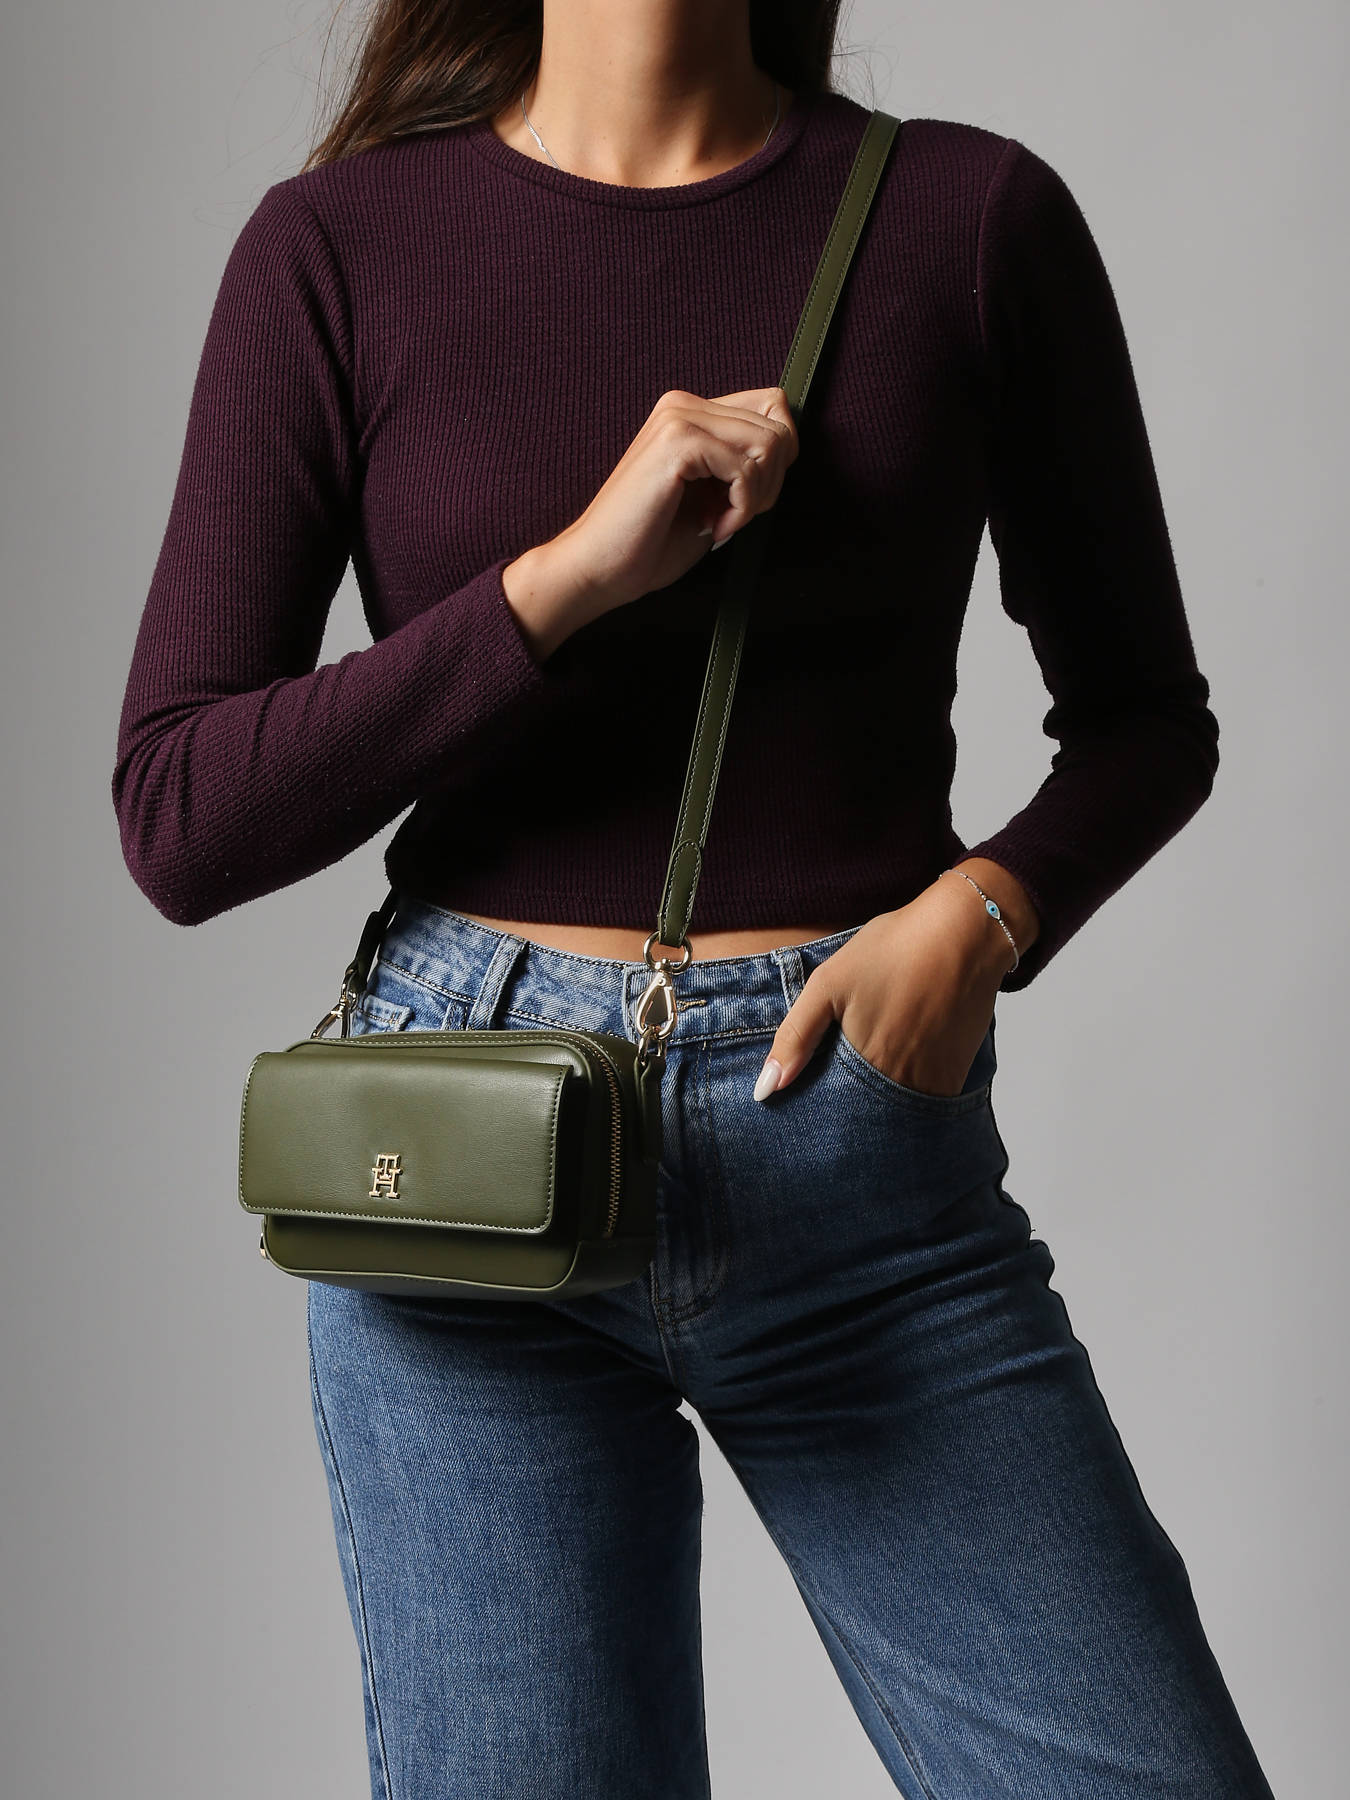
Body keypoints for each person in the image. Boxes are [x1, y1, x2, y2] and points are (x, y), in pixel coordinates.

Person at [110, 3, 1276, 1795]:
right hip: (469, 1176)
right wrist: (566, 580)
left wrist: (977, 918)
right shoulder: (336, 247)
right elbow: (183, 816)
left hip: (852, 1151)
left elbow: (1145, 724)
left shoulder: (966, 220)